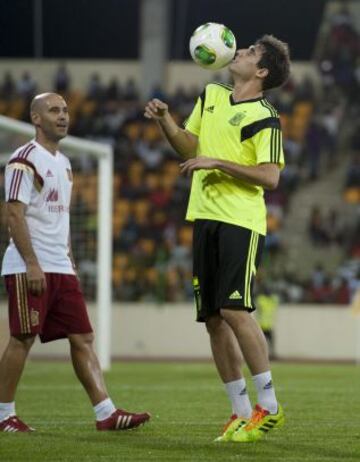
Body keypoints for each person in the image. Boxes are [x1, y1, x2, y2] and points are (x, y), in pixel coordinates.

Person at [145, 34, 290, 443]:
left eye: (250, 52)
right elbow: (189, 147)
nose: (240, 52)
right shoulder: (211, 94)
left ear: (261, 71)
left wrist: (218, 163)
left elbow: (270, 177)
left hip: (240, 222)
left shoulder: (266, 116)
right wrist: (165, 121)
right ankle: (240, 411)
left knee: (235, 309)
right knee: (212, 319)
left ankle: (269, 406)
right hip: (204, 217)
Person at [0, 93, 150, 433]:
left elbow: (61, 218)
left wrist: (68, 258)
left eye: (65, 110)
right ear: (36, 119)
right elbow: (13, 213)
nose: (63, 116)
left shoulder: (65, 163)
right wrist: (32, 263)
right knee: (22, 338)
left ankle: (105, 413)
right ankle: (3, 414)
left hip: (61, 266)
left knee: (82, 337)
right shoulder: (24, 159)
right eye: (54, 110)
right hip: (30, 265)